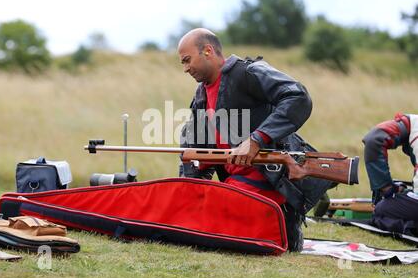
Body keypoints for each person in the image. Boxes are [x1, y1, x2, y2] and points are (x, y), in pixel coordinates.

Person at [176, 28, 334, 252]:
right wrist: (187, 191)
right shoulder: (200, 96)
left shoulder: (249, 72)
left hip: (271, 185)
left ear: (208, 51)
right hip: (235, 187)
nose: (185, 69)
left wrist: (256, 140)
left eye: (187, 60)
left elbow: (298, 97)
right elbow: (193, 147)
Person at [362, 112, 418, 236]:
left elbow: (373, 140)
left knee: (381, 210)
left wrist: (387, 189)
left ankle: (411, 228)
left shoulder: (414, 125)